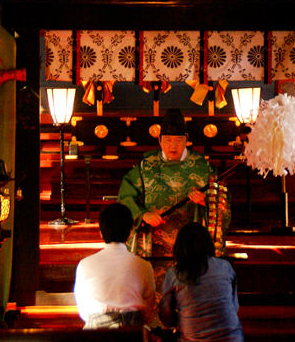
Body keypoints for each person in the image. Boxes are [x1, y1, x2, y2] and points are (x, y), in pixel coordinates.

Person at [118, 108, 215, 259]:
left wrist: (205, 199)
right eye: (168, 140)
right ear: (159, 140)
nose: (173, 146)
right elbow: (126, 196)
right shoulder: (146, 166)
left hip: (191, 246)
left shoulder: (202, 166)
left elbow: (222, 199)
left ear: (187, 139)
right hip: (153, 244)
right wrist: (144, 214)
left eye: (178, 140)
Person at [73, 203, 156, 329]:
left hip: (96, 332)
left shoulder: (85, 264)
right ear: (130, 231)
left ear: (101, 232)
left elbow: (84, 312)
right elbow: (148, 313)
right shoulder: (144, 266)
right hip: (132, 332)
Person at [159, 222, 244, 342]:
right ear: (208, 244)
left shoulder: (174, 274)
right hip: (232, 337)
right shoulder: (225, 267)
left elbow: (166, 318)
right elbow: (234, 307)